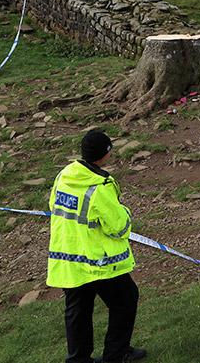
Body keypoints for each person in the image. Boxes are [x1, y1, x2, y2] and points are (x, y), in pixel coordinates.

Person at [46, 130, 145, 363]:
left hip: (68, 259)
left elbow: (53, 204)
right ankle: (116, 354)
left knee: (78, 311)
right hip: (98, 261)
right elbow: (118, 226)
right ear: (105, 154)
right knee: (125, 300)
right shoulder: (100, 186)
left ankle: (79, 359)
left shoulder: (65, 175)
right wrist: (126, 213)